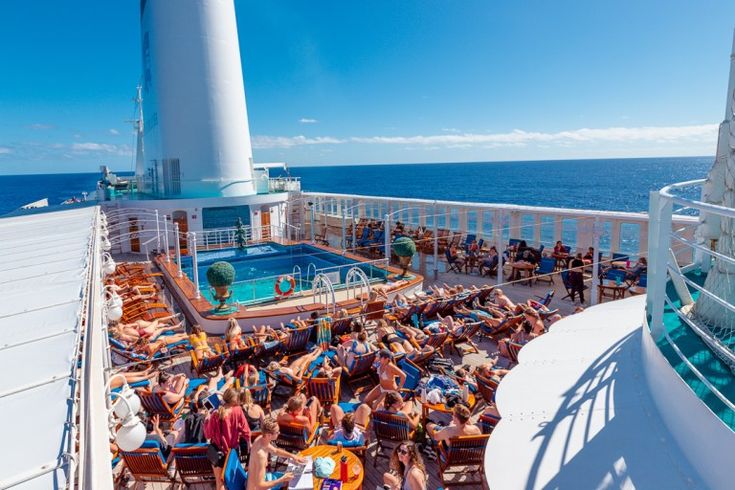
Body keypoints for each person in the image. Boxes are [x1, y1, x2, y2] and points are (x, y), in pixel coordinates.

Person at [204, 387, 252, 490]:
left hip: (218, 451)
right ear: (235, 400)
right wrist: (249, 444)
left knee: (219, 481)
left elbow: (208, 435)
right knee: (232, 481)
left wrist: (207, 419)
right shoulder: (238, 410)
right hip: (233, 452)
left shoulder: (215, 413)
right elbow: (246, 431)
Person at [247, 417, 304, 490]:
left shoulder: (261, 439)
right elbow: (260, 485)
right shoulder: (260, 456)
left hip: (258, 479)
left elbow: (275, 451)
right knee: (290, 483)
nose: (279, 433)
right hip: (256, 487)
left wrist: (293, 456)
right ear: (269, 435)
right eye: (277, 432)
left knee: (290, 480)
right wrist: (282, 479)